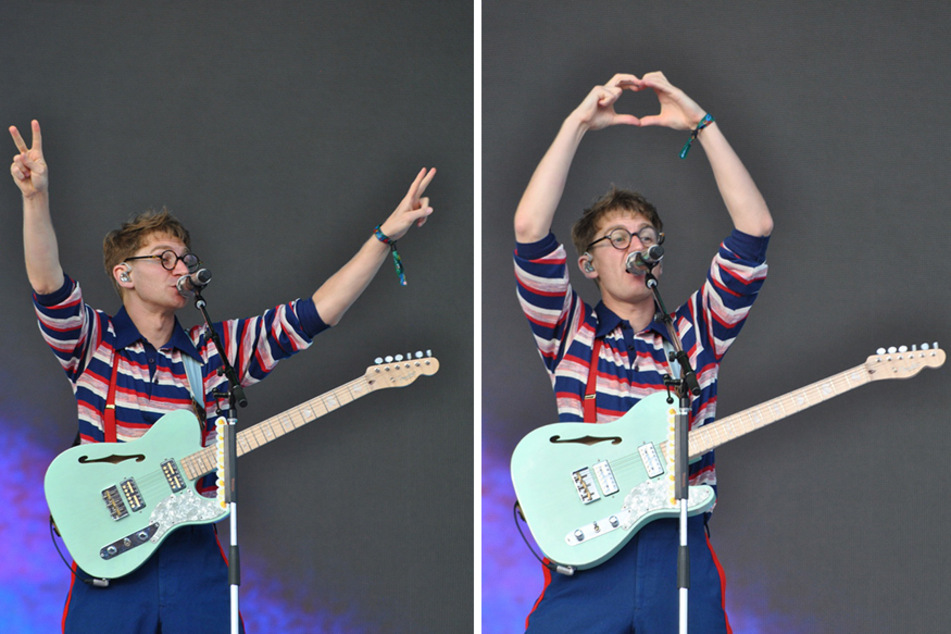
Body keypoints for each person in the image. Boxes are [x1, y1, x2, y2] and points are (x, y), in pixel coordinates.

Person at [10, 119, 435, 633]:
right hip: (111, 558)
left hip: (194, 559)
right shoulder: (93, 340)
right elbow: (47, 284)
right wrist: (36, 199)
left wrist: (383, 236)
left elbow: (319, 311)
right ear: (124, 274)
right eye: (164, 259)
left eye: (184, 260)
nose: (180, 270)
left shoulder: (215, 350)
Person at [512, 72, 773, 632]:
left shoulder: (695, 336)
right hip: (590, 557)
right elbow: (530, 230)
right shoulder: (570, 332)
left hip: (675, 547)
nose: (637, 247)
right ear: (589, 263)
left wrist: (702, 125)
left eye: (647, 237)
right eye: (619, 238)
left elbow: (754, 229)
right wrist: (577, 123)